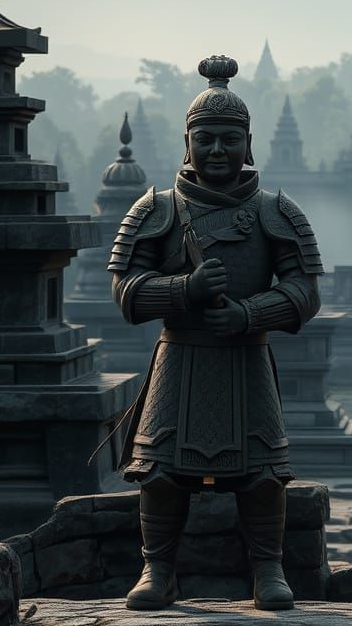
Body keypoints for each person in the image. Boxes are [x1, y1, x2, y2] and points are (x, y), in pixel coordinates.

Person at [109, 55, 322, 611]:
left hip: (245, 358)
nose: (219, 151)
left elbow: (305, 292)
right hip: (180, 356)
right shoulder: (156, 209)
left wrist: (249, 314)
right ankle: (158, 569)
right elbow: (126, 293)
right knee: (157, 472)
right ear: (187, 142)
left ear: (248, 143)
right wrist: (185, 291)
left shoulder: (276, 210)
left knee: (262, 474)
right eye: (206, 140)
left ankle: (267, 570)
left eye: (230, 140)